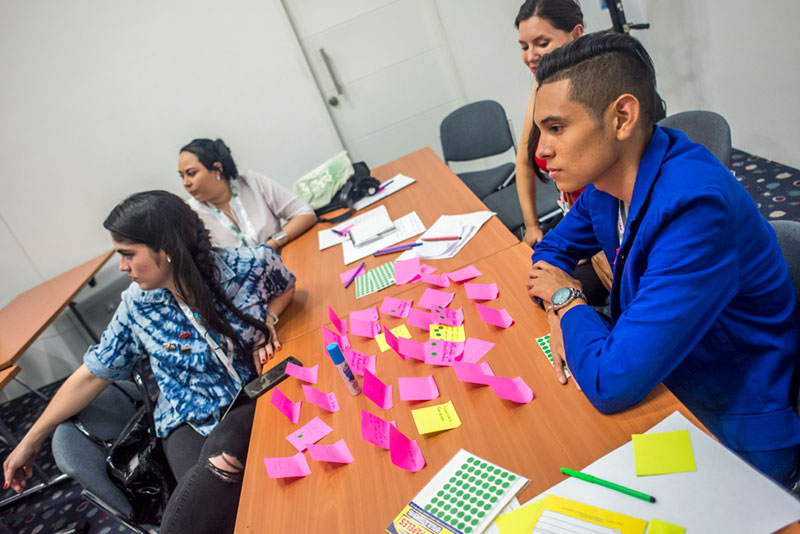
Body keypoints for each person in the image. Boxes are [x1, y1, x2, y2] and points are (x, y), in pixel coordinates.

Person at [525, 32, 800, 487]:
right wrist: (561, 306)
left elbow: (612, 382)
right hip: (666, 377)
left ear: (622, 117)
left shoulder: (696, 207)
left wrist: (565, 297)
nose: (542, 151)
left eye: (556, 128)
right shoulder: (605, 185)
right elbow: (549, 252)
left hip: (732, 423)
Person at [3, 191, 297, 533]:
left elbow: (286, 287)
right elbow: (92, 375)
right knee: (218, 499)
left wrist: (269, 320)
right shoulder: (137, 306)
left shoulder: (249, 266)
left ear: (167, 248)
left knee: (227, 462)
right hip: (187, 419)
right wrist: (30, 441)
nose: (122, 267)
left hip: (250, 398)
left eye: (128, 254)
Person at [513, 0, 583, 248]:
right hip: (576, 221)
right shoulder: (541, 85)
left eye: (542, 44)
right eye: (523, 46)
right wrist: (532, 226)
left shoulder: (593, 89)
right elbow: (523, 159)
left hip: (605, 227)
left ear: (576, 34)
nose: (530, 57)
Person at [179, 138, 318, 251]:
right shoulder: (190, 214)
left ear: (217, 169)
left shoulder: (253, 183)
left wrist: (272, 244)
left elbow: (305, 213)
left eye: (191, 174)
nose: (186, 183)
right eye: (182, 176)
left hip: (283, 259)